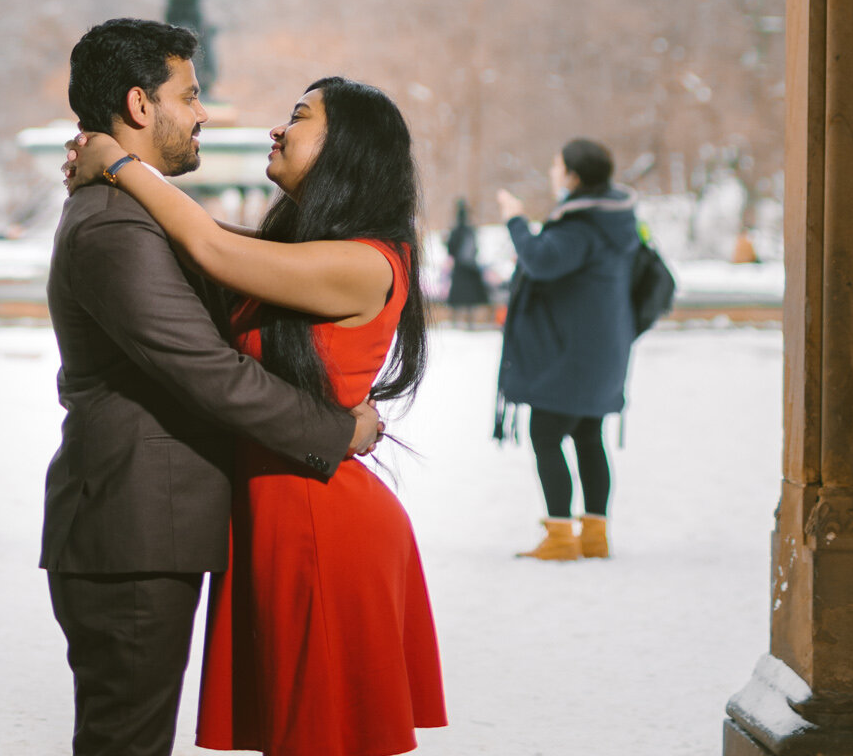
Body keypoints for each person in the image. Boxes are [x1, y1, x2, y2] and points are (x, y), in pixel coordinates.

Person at [71, 54, 447, 756]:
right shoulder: (313, 253)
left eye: (300, 119)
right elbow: (218, 246)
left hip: (318, 523)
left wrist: (120, 166)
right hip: (279, 513)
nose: (278, 128)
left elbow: (209, 245)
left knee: (316, 737)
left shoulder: (364, 259)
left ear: (348, 150)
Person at [495, 137, 640, 562]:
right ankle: (595, 534)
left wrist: (515, 219)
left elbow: (540, 260)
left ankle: (560, 536)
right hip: (603, 347)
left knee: (545, 434)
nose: (553, 172)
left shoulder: (581, 224)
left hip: (572, 353)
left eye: (557, 166)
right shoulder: (616, 220)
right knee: (588, 435)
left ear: (573, 176)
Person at [445, 197, 491, 322]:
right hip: (468, 267)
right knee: (468, 296)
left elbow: (451, 249)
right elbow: (475, 249)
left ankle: (457, 320)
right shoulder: (470, 231)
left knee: (461, 295)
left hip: (461, 267)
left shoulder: (457, 231)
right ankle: (466, 321)